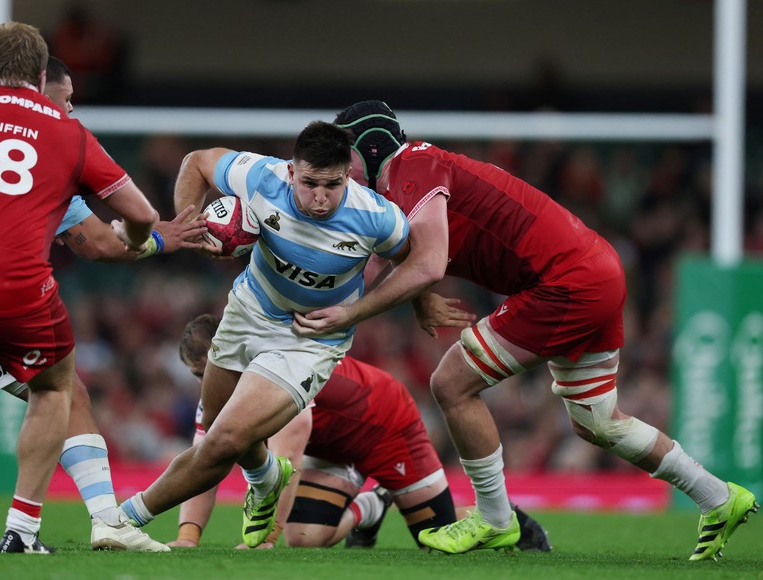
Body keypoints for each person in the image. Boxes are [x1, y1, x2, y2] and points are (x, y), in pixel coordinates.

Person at [292, 101, 758, 560]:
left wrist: (350, 315)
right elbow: (407, 250)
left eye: (346, 155)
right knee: (598, 421)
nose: (340, 169)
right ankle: (717, 496)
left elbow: (428, 263)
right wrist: (417, 298)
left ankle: (496, 519)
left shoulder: (411, 169)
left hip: (564, 282)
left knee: (451, 383)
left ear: (371, 149)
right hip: (593, 270)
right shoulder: (404, 180)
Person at [0, 56, 206, 551]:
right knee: (63, 392)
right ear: (40, 91)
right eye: (66, 98)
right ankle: (101, 522)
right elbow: (98, 244)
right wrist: (158, 240)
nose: (71, 108)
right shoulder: (46, 147)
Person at [118, 121, 414, 549]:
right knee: (216, 428)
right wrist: (194, 227)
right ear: (291, 172)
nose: (319, 197)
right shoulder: (261, 176)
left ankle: (124, 519)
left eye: (331, 185)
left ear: (347, 176)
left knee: (225, 439)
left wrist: (357, 311)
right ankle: (266, 476)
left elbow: (414, 263)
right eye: (309, 183)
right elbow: (197, 162)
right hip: (248, 311)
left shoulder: (377, 217)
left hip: (310, 338)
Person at [167, 313, 551, 551]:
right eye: (199, 377)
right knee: (304, 539)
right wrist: (188, 536)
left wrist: (265, 539)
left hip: (387, 426)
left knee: (437, 538)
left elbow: (288, 458)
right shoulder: (218, 399)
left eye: (209, 373)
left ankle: (507, 518)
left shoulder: (277, 369)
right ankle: (372, 506)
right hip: (330, 445)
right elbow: (203, 463)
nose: (207, 385)